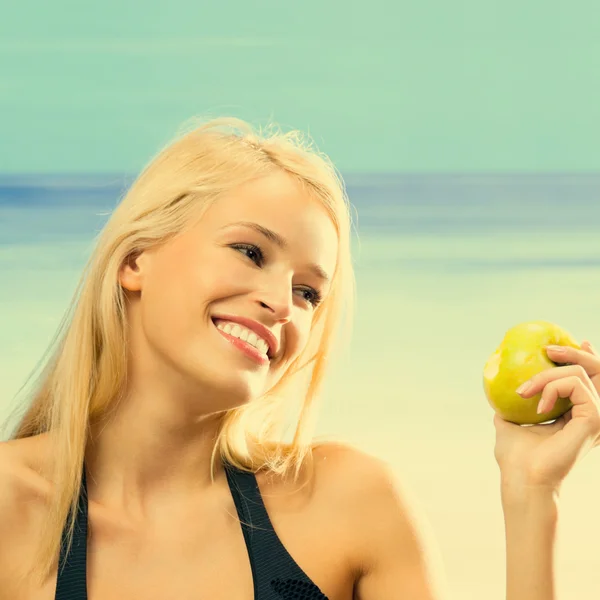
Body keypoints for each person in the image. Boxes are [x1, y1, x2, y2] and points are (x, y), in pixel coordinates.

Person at [0, 116, 598, 600]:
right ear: (136, 261)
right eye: (250, 251)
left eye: (309, 292)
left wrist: (530, 496)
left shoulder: (347, 503)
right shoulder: (10, 506)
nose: (282, 303)